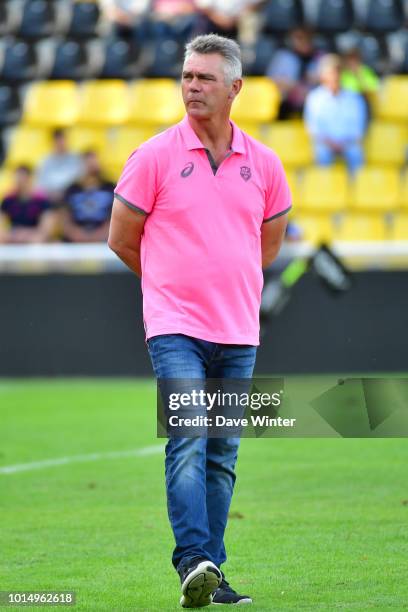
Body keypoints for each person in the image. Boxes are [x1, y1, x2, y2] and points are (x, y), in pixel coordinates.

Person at [108, 34, 291, 608]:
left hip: (238, 331)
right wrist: (168, 284)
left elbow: (266, 247)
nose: (191, 86)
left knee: (222, 455)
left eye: (204, 78)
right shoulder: (153, 156)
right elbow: (120, 239)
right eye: (187, 76)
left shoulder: (265, 163)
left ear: (234, 88)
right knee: (189, 440)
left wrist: (223, 281)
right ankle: (192, 559)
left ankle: (211, 574)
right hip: (175, 326)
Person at [304, 54, 367, 174]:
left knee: (356, 154)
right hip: (325, 143)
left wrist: (344, 142)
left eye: (337, 72)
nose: (335, 77)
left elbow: (358, 127)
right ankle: (324, 189)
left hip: (349, 143)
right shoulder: (314, 98)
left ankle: (356, 190)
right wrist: (330, 143)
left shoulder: (354, 98)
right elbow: (313, 128)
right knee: (322, 154)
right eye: (331, 73)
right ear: (323, 76)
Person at [266, 27, 324, 119]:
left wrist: (316, 80)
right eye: (299, 38)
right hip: (286, 102)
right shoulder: (282, 56)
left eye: (307, 38)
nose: (303, 41)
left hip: (313, 103)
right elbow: (270, 81)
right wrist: (292, 86)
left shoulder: (320, 57)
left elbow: (328, 79)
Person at [61, 151, 114, 243]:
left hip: (105, 240)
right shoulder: (71, 190)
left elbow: (116, 217)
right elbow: (63, 217)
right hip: (75, 240)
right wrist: (76, 234)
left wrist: (100, 235)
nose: (91, 166)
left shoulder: (110, 188)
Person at [0, 165, 57, 244]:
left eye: (23, 179)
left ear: (30, 179)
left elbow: (46, 228)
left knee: (38, 239)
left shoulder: (41, 200)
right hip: (14, 237)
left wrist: (27, 234)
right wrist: (11, 235)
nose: (20, 182)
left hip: (34, 236)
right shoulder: (8, 200)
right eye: (17, 179)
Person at [36, 129, 82, 203]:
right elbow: (40, 184)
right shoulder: (45, 161)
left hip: (71, 197)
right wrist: (51, 193)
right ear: (53, 142)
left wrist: (64, 192)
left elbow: (79, 178)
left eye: (62, 140)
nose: (60, 143)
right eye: (57, 141)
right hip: (50, 198)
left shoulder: (76, 158)